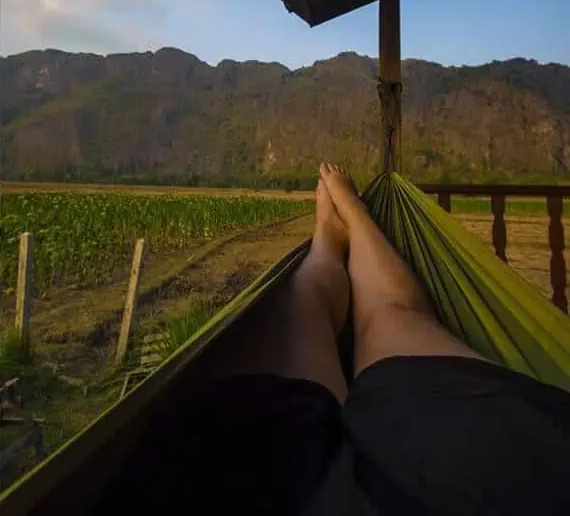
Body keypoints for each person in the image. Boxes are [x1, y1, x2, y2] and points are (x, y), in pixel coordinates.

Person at [102, 164, 570, 514]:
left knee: (300, 303)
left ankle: (327, 240)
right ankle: (353, 219)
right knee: (390, 314)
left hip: (253, 478)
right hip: (501, 470)